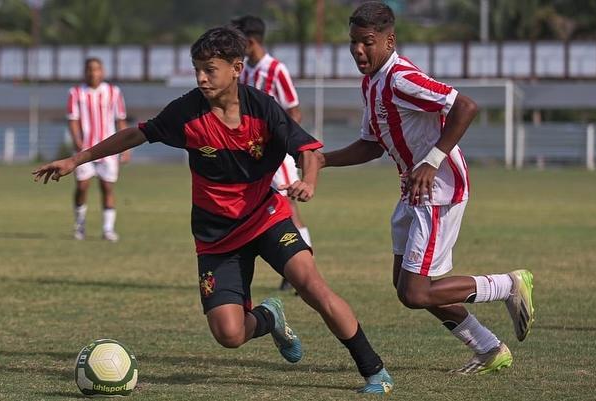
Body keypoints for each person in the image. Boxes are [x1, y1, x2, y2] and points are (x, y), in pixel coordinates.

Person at [34, 26, 393, 394]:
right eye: (197, 69)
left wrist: (309, 182)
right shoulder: (186, 112)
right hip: (216, 236)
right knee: (229, 334)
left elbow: (307, 151)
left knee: (312, 286)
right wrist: (77, 160)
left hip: (266, 217)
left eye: (210, 69)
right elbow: (135, 134)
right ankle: (269, 317)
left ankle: (374, 370)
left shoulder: (263, 107)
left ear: (236, 68)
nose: (202, 78)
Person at [317, 2, 535, 374]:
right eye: (353, 43)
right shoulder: (371, 82)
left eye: (367, 42)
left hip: (439, 190)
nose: (358, 50)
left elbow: (465, 106)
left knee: (417, 292)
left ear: (390, 40)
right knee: (407, 288)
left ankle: (508, 285)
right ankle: (488, 348)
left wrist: (431, 161)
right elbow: (372, 143)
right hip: (413, 191)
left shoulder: (401, 78)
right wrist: (323, 160)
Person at [231, 15, 312, 291]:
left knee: (289, 207)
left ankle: (303, 268)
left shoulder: (276, 69)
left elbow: (294, 110)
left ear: (250, 41)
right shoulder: (243, 71)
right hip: (253, 153)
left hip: (276, 154)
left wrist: (285, 145)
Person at [66, 58, 129, 241]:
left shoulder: (113, 92)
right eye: (90, 69)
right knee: (82, 186)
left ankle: (108, 229)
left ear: (102, 71)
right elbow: (73, 119)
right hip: (85, 148)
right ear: (85, 72)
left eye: (97, 69)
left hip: (108, 148)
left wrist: (126, 147)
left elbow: (121, 119)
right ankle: (80, 226)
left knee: (107, 187)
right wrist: (77, 140)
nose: (93, 73)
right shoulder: (76, 92)